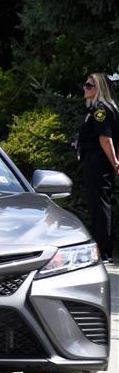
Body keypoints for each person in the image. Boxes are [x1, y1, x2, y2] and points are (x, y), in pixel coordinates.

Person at [79, 73, 119, 263]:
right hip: (96, 162)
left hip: (98, 163)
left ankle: (103, 251)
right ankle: (102, 248)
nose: (85, 88)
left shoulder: (100, 110)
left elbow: (105, 139)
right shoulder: (98, 109)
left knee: (99, 205)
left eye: (90, 85)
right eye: (85, 85)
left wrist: (115, 162)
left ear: (100, 88)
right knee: (97, 204)